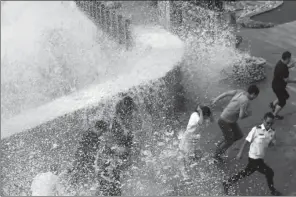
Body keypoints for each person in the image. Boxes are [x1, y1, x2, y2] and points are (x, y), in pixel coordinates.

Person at [222, 112, 281, 196]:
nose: (269, 125)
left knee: (245, 173)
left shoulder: (272, 132)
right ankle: (273, 191)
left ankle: (227, 182)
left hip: (260, 158)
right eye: (268, 122)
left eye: (271, 123)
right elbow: (246, 141)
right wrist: (240, 153)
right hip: (254, 158)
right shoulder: (256, 129)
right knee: (270, 172)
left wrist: (273, 143)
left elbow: (268, 144)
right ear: (263, 120)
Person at [211, 85, 260, 163]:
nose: (254, 98)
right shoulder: (245, 100)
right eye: (255, 96)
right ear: (253, 94)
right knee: (230, 141)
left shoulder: (240, 91)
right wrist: (248, 114)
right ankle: (216, 156)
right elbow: (241, 116)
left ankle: (221, 144)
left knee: (238, 135)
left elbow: (226, 93)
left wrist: (216, 99)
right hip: (224, 120)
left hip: (230, 120)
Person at [179, 105, 213, 180]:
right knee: (187, 155)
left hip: (194, 137)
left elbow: (212, 120)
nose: (207, 118)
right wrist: (201, 111)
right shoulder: (195, 116)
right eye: (206, 116)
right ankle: (186, 174)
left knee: (197, 154)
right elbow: (200, 123)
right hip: (189, 138)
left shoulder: (197, 115)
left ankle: (197, 170)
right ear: (203, 114)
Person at [270, 51, 296, 120]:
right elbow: (286, 80)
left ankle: (273, 104)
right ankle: (274, 115)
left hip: (276, 85)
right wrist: (294, 81)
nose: (290, 60)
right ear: (287, 58)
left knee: (286, 96)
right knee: (283, 102)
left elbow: (283, 68)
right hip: (278, 87)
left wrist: (289, 66)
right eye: (289, 59)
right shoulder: (284, 69)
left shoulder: (280, 63)